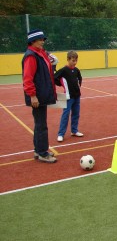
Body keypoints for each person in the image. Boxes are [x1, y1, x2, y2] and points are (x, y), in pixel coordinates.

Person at [22, 29, 57, 163]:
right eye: (40, 39)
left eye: (43, 39)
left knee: (39, 124)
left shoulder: (40, 53)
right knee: (41, 125)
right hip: (38, 96)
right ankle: (42, 152)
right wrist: (33, 95)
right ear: (33, 41)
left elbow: (50, 65)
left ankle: (38, 150)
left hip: (42, 94)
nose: (43, 41)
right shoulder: (31, 56)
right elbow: (28, 78)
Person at [54, 51, 83, 142]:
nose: (74, 62)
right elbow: (54, 78)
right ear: (68, 59)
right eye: (73, 60)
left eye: (76, 61)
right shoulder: (63, 70)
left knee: (76, 114)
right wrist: (61, 84)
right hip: (67, 97)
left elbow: (80, 77)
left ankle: (74, 130)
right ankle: (61, 134)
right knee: (65, 115)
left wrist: (79, 85)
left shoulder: (76, 70)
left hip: (77, 96)